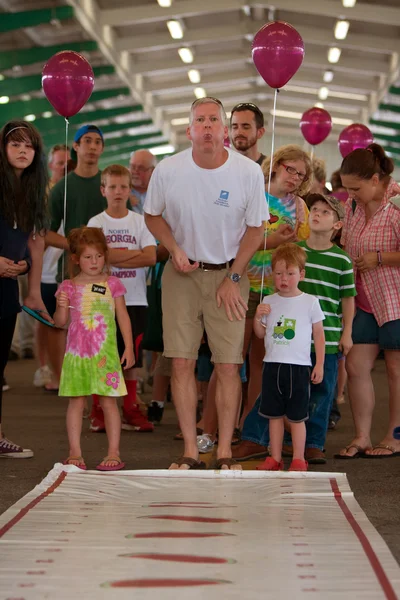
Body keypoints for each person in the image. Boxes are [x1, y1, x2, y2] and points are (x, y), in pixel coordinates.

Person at [144, 96, 267, 470]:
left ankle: (226, 450)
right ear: (190, 130)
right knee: (180, 362)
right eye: (202, 120)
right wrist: (174, 248)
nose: (209, 126)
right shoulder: (168, 169)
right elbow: (152, 216)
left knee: (228, 365)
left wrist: (234, 275)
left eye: (215, 119)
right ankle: (190, 451)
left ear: (225, 129)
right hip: (181, 276)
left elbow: (257, 228)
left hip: (229, 276)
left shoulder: (247, 172)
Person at [237, 145, 311, 437]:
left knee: (261, 363)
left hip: (277, 294)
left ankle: (248, 424)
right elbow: (235, 241)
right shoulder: (253, 193)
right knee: (231, 359)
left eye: (301, 174)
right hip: (244, 285)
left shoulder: (300, 207)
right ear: (277, 165)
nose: (294, 177)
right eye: (290, 169)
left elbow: (299, 252)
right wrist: (273, 242)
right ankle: (215, 423)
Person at [336, 143, 400, 459]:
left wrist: (379, 258)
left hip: (394, 300)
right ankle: (361, 436)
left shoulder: (398, 205)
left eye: (356, 188)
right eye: (347, 189)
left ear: (376, 180)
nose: (351, 195)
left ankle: (394, 435)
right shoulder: (353, 208)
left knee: (395, 368)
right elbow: (347, 247)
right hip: (362, 300)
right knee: (356, 364)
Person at [54, 227, 134, 471]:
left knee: (109, 402)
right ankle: (74, 453)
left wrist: (129, 347)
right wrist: (61, 305)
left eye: (99, 256)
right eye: (88, 257)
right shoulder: (67, 286)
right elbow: (60, 322)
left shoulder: (112, 284)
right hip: (77, 356)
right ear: (77, 259)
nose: (94, 261)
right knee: (76, 402)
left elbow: (123, 316)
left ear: (105, 256)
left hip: (106, 355)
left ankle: (114, 452)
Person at [87, 164, 156, 432]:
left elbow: (150, 256)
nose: (118, 191)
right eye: (112, 187)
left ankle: (130, 409)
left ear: (130, 190)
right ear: (103, 190)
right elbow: (96, 259)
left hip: (135, 298)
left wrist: (112, 254)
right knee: (104, 358)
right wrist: (131, 254)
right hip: (102, 301)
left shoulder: (140, 222)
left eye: (123, 187)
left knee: (132, 359)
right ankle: (99, 411)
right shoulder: (97, 223)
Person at [0, 120, 48, 458]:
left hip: (6, 291)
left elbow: (34, 241)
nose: (22, 151)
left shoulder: (31, 193)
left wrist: (32, 285)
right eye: (15, 144)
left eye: (28, 146)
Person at [254, 244, 325, 471]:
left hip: (298, 367)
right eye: (279, 273)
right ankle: (274, 457)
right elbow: (260, 334)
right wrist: (257, 317)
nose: (284, 279)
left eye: (290, 273)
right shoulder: (268, 300)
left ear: (301, 275)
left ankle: (298, 458)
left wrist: (320, 364)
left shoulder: (310, 301)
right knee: (273, 415)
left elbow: (319, 335)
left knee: (297, 417)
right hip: (272, 365)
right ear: (272, 274)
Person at [34, 144, 70, 391]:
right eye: (60, 163)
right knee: (44, 319)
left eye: (69, 163)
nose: (65, 167)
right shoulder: (42, 195)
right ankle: (43, 366)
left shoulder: (73, 190)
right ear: (50, 166)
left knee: (63, 321)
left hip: (67, 267)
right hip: (45, 267)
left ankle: (62, 368)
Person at [129, 150, 156, 215]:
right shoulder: (121, 193)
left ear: (152, 170)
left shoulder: (161, 194)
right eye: (132, 167)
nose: (135, 171)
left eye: (141, 168)